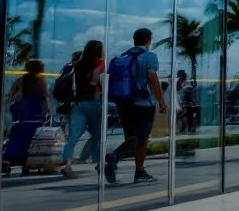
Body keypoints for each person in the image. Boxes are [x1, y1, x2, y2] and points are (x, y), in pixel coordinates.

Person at [104, 28, 166, 185]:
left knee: (131, 137)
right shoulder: (149, 56)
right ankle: (121, 161)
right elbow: (153, 79)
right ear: (148, 40)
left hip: (123, 103)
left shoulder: (124, 55)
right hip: (143, 103)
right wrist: (161, 100)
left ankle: (136, 169)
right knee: (141, 138)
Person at [61, 40, 105, 177]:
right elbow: (95, 80)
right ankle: (99, 164)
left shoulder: (78, 64)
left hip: (78, 102)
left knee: (73, 137)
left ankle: (66, 165)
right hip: (93, 101)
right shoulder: (99, 63)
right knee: (97, 135)